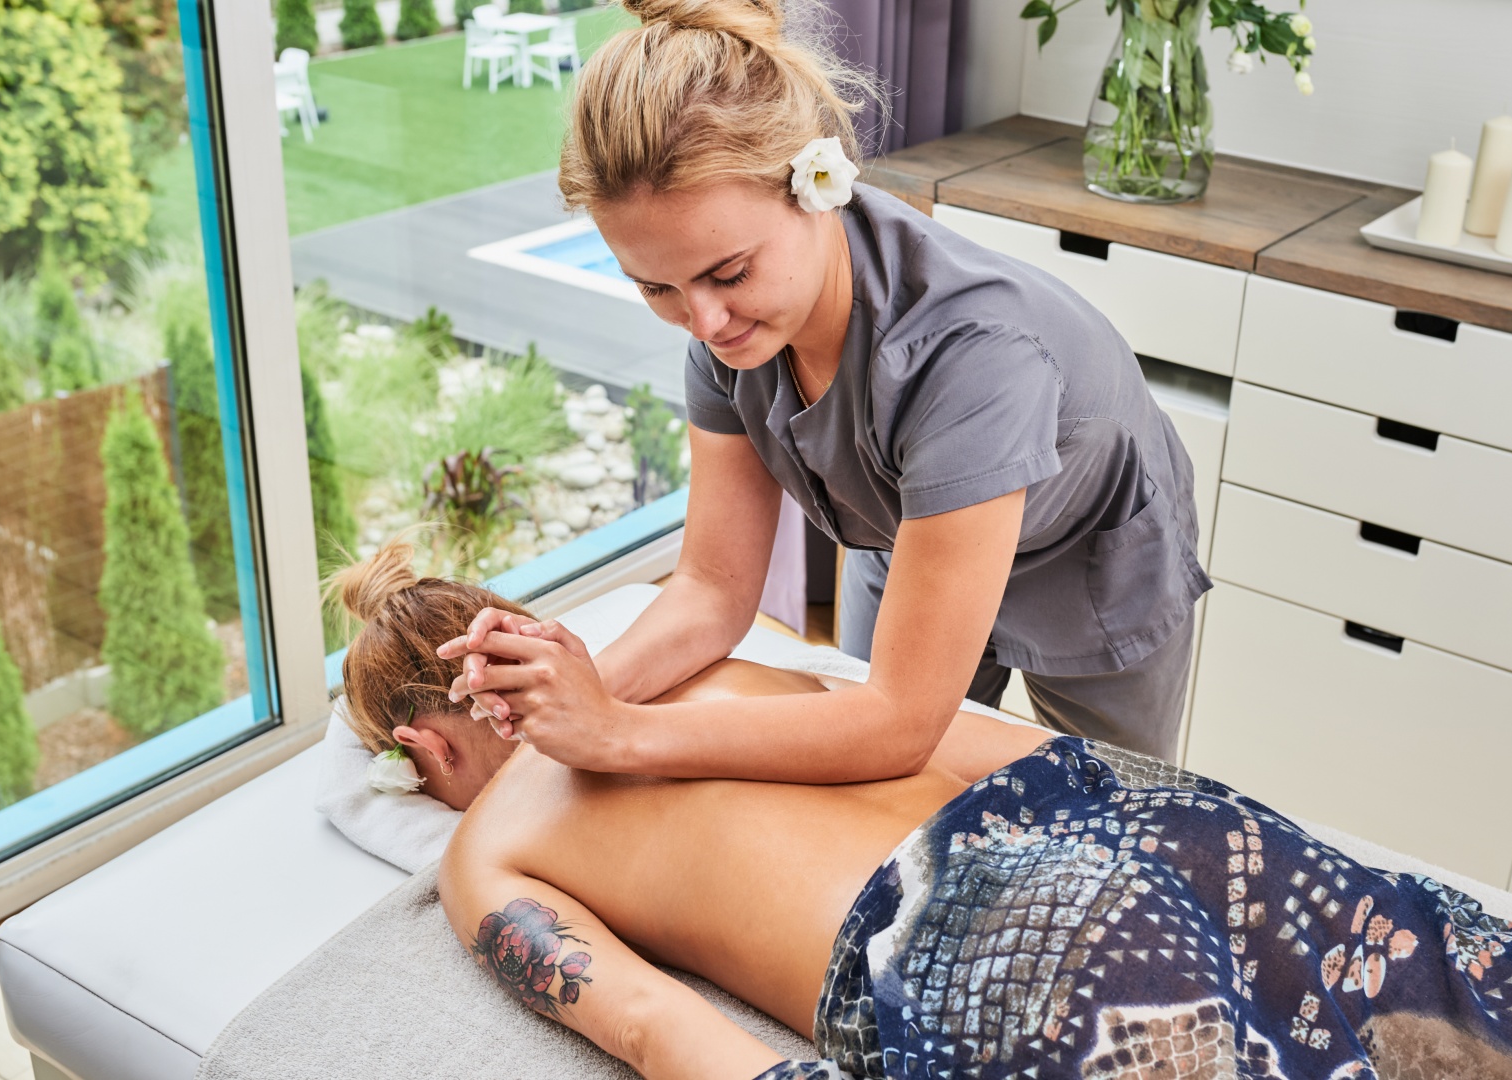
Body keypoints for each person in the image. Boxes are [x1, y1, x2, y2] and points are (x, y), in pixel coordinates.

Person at [329, 543, 1512, 1080]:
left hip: (992, 938)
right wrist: (1203, 811)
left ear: (421, 748)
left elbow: (657, 1029)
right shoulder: (705, 667)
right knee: (1460, 999)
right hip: (1109, 808)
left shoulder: (488, 849)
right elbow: (954, 735)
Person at [443, 0, 1212, 780]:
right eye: (655, 287)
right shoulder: (732, 335)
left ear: (817, 187)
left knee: (1124, 806)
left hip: (1085, 563)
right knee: (891, 801)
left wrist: (619, 735)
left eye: (729, 273)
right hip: (910, 539)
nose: (702, 322)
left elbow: (896, 724)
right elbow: (712, 589)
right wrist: (573, 694)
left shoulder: (972, 358)